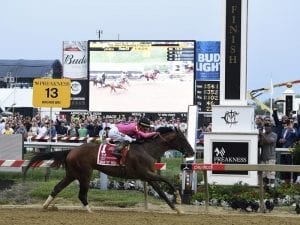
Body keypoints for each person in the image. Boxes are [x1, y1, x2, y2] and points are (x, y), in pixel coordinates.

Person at [258, 121, 277, 188]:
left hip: (271, 157)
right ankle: (265, 189)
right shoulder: (262, 135)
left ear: (271, 127)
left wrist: (262, 135)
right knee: (264, 175)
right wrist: (260, 137)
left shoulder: (274, 135)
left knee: (271, 175)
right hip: (263, 157)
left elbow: (269, 141)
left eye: (268, 126)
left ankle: (272, 189)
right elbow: (260, 144)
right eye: (266, 126)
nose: (267, 127)